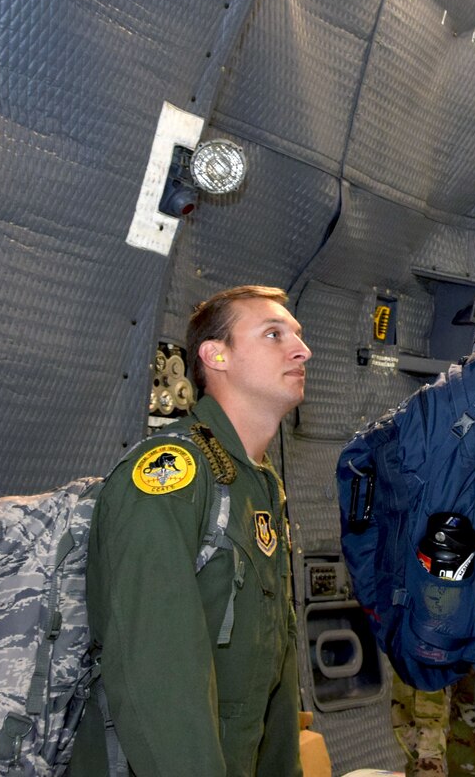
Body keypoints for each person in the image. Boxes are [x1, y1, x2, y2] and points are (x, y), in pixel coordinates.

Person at [68, 285, 310, 777]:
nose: (302, 349)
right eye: (273, 334)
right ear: (215, 355)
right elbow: (155, 673)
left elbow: (275, 676)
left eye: (298, 335)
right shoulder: (171, 474)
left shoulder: (258, 484)